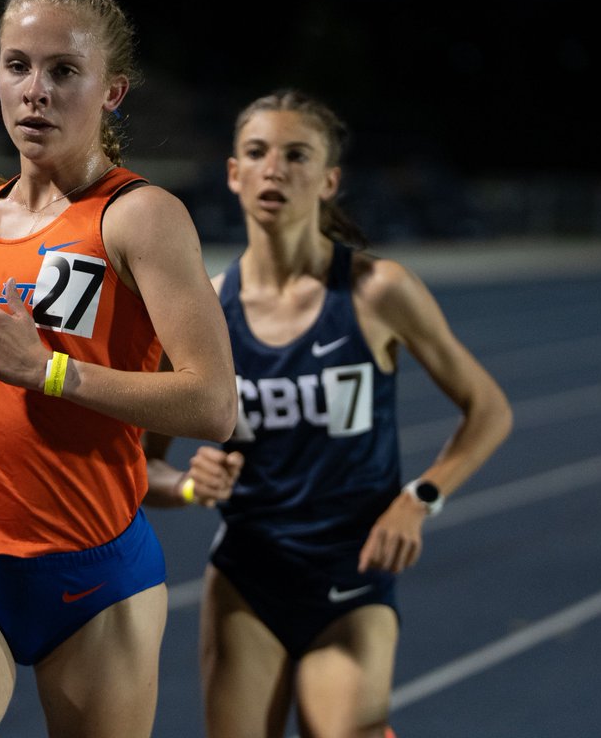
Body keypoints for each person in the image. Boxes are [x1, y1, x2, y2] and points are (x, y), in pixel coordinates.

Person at [0, 0, 238, 738]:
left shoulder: (142, 219)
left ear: (111, 92)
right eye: (17, 66)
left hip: (94, 580)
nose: (35, 91)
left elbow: (213, 403)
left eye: (64, 71)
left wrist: (49, 372)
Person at [145, 89, 513, 738]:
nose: (273, 169)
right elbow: (139, 468)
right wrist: (191, 486)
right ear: (233, 173)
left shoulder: (377, 291)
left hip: (351, 577)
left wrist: (419, 499)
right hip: (246, 580)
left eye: (296, 155)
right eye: (256, 153)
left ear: (329, 179)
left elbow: (488, 410)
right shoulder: (203, 311)